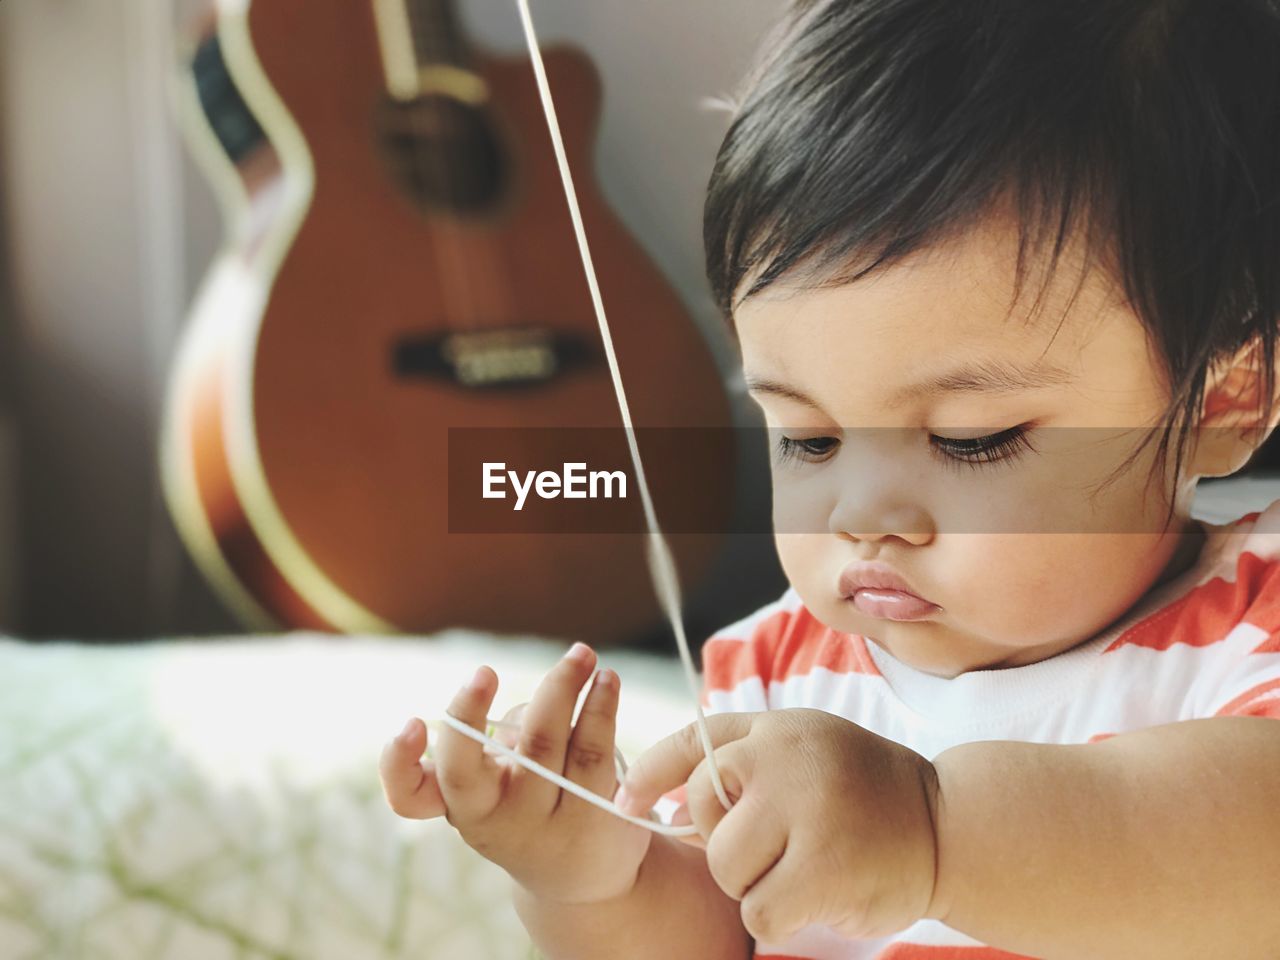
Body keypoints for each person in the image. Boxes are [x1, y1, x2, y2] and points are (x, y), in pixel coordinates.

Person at [379, 0, 1280, 956]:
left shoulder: (1250, 632)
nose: (862, 515)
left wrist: (935, 832)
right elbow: (721, 937)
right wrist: (591, 880)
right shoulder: (775, 675)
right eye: (808, 439)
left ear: (1226, 399)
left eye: (971, 440)